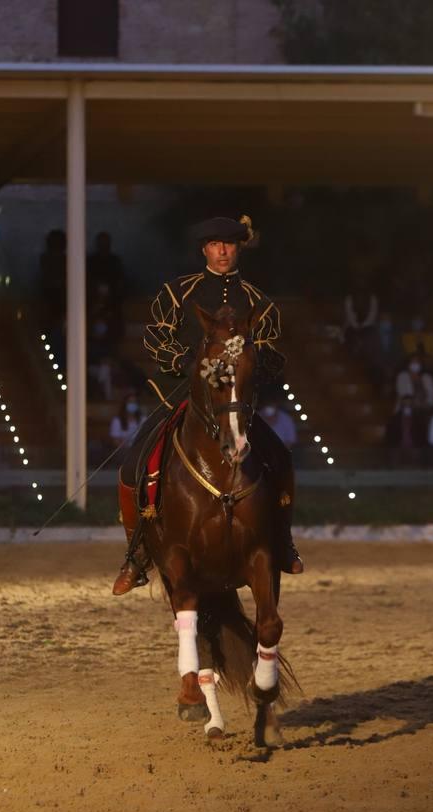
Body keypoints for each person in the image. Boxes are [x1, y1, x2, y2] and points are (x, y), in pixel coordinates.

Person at [113, 214, 301, 595]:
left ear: (238, 249)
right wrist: (187, 363)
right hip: (181, 397)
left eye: (229, 245)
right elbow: (155, 338)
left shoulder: (259, 302)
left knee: (281, 459)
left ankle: (282, 541)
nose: (223, 252)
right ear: (204, 249)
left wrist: (251, 365)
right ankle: (136, 556)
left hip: (233, 406)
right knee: (133, 466)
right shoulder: (178, 291)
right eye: (215, 245)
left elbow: (274, 353)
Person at [385, 395, 428, 467]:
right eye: (405, 404)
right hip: (398, 445)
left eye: (409, 404)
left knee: (417, 458)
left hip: (415, 445)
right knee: (394, 455)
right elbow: (390, 434)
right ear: (401, 405)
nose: (407, 406)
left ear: (412, 404)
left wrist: (419, 445)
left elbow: (423, 434)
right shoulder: (394, 418)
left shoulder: (419, 418)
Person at [109, 394, 145, 460]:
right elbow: (115, 441)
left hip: (139, 450)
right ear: (125, 404)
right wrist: (125, 447)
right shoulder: (117, 420)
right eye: (130, 402)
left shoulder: (143, 419)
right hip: (123, 451)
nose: (132, 404)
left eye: (134, 402)